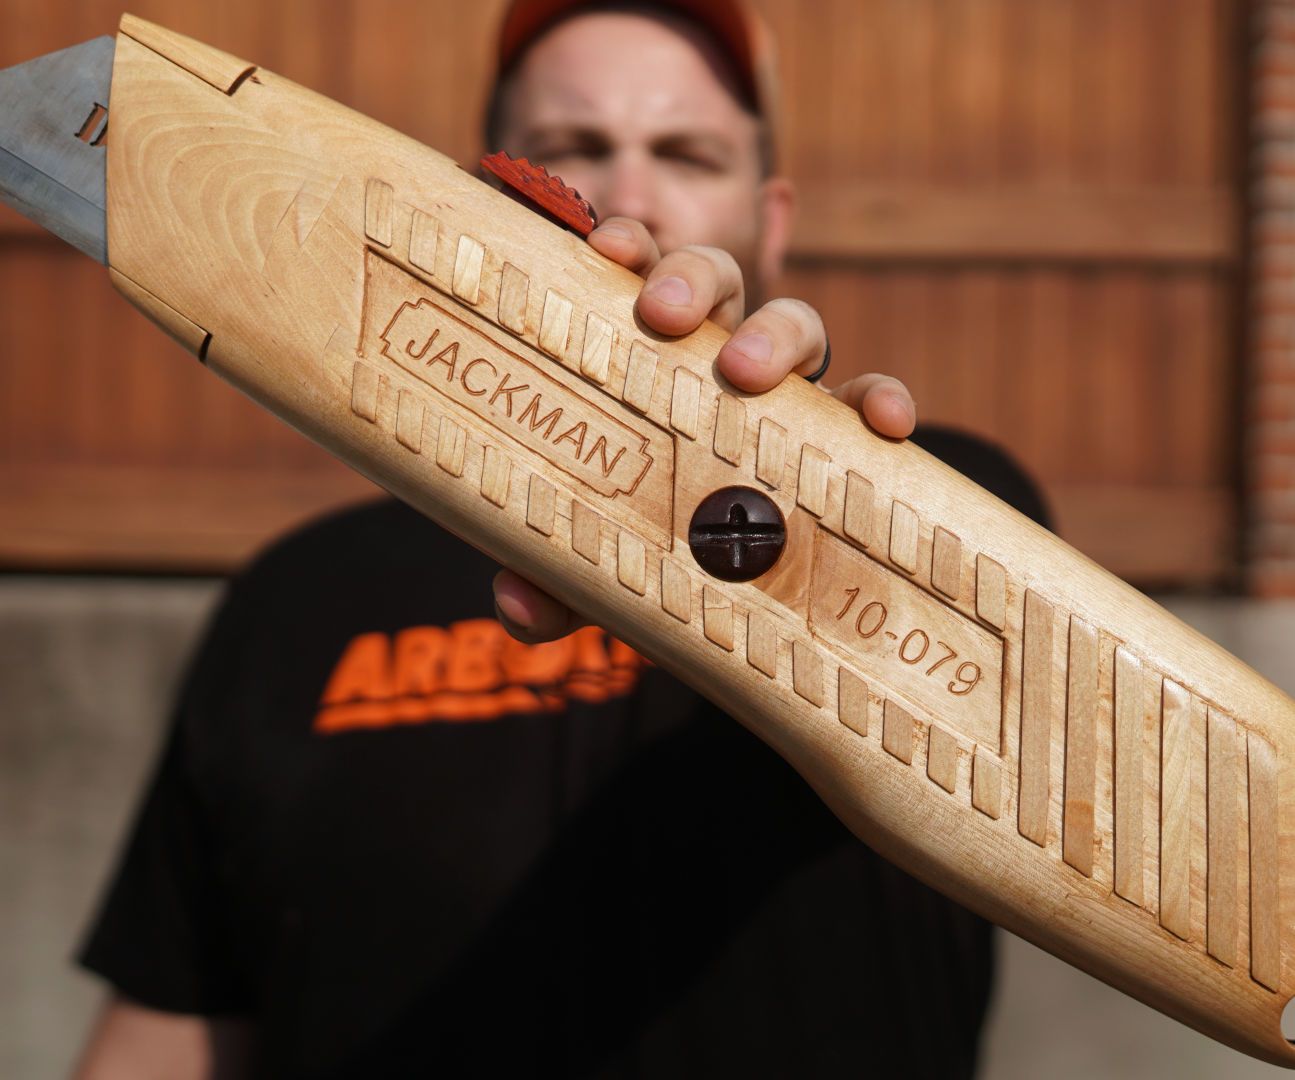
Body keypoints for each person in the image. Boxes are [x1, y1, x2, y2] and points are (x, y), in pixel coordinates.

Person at [72, 3, 1051, 1078]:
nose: (627, 194)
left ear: (768, 220)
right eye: (571, 151)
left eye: (686, 152)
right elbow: (171, 1031)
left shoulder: (937, 513)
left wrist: (801, 501)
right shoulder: (295, 599)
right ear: (482, 195)